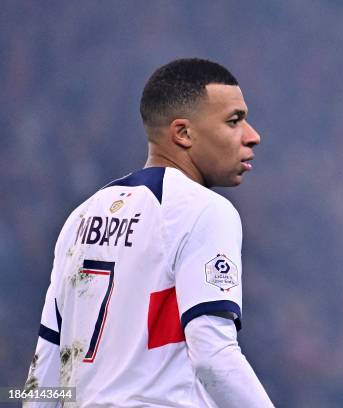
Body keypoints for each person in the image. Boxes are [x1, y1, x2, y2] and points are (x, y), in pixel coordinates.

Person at [24, 58, 274, 407]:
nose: (253, 136)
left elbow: (45, 368)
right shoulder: (204, 210)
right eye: (234, 121)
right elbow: (212, 355)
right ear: (183, 133)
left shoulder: (81, 218)